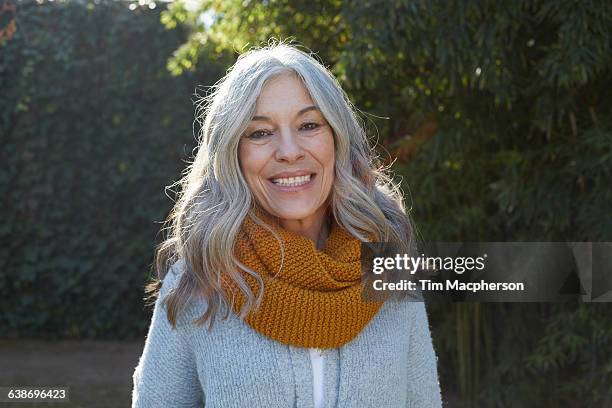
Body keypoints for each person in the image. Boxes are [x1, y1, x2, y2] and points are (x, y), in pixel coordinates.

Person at [131, 40, 442, 408]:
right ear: (234, 153)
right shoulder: (199, 277)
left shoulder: (387, 269)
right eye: (260, 132)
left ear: (337, 140)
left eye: (309, 124)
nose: (290, 150)